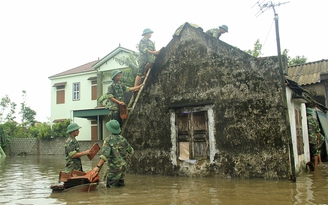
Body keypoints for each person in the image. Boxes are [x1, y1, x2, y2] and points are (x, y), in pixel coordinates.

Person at [92, 120, 134, 188]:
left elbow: (104, 155)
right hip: (123, 168)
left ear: (110, 129)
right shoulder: (123, 139)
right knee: (121, 187)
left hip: (113, 169)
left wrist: (98, 166)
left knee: (111, 190)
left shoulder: (108, 140)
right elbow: (131, 151)